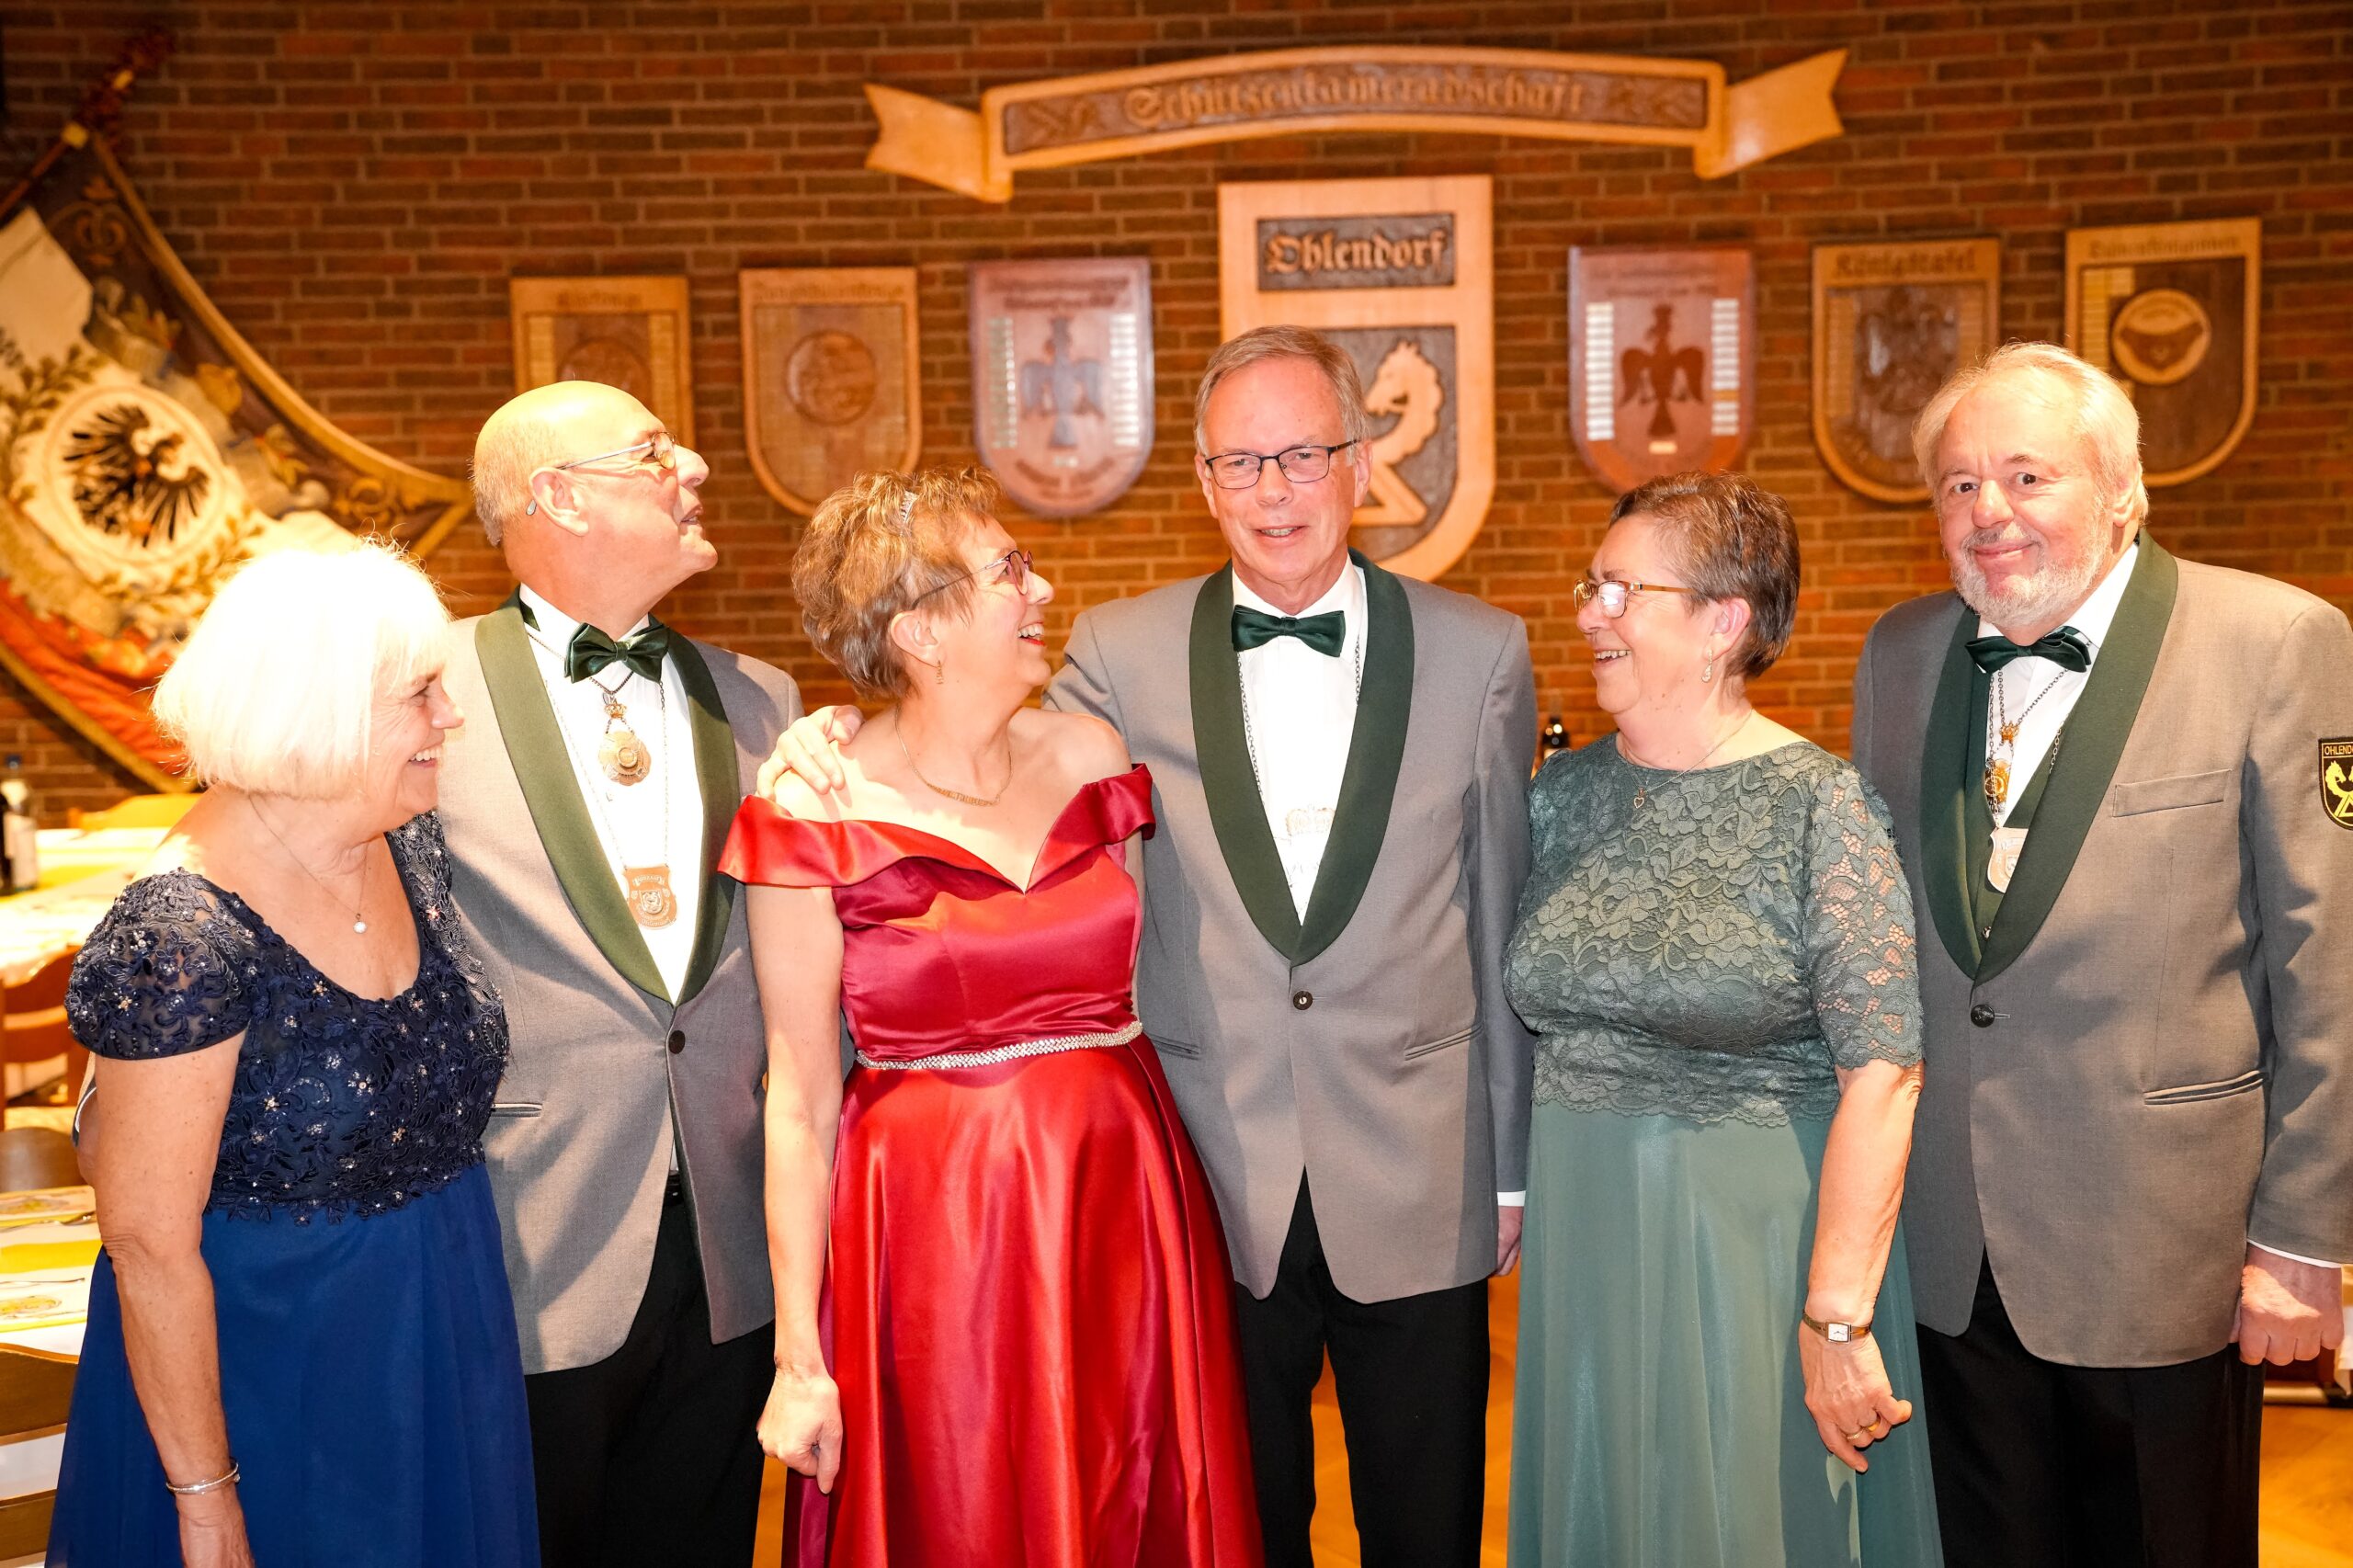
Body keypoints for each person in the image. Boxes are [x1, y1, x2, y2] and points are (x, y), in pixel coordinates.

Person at [765, 324, 1536, 1568]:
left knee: (1429, 1520)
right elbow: (961, 734)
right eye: (1240, 462)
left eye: (1302, 455)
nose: (1273, 490)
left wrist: (1509, 1171)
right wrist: (825, 733)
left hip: (1421, 1166)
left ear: (1360, 460)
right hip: (1205, 1178)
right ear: (1202, 479)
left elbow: (1497, 913)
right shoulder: (1114, 659)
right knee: (1233, 1520)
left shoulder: (1482, 648)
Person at [1851, 341, 2353, 1568]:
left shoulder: (2278, 640)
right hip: (1949, 1249)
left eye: (2028, 476)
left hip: (2167, 1249)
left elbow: (2332, 963)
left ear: (2124, 488)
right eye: (1959, 484)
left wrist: (2306, 1238)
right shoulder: (1901, 654)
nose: (1989, 511)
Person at [729, 467, 1262, 1566]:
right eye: (1009, 569)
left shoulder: (1090, 754)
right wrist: (798, 1354)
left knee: (1129, 1486)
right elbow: (800, 1099)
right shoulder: (811, 805)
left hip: (1118, 1198)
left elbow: (1125, 975)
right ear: (920, 627)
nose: (1041, 587)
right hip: (930, 1229)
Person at [48, 543, 536, 1568]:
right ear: (319, 712)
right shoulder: (179, 935)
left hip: (442, 1337)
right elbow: (147, 1244)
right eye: (420, 693)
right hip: (271, 1385)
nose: (450, 715)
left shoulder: (408, 845)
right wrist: (205, 1497)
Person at [1503, 472, 1942, 1568]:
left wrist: (1836, 1313)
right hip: (1586, 1241)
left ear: (1722, 621)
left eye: (1622, 589)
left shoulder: (1820, 807)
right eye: (1591, 585)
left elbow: (1884, 1069)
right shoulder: (1557, 796)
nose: (1589, 612)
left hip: (1752, 1251)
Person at [442, 381, 802, 1568]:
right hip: (531, 1227)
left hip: (729, 1237)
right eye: (652, 452)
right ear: (557, 496)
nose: (692, 466)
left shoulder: (761, 698)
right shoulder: (425, 693)